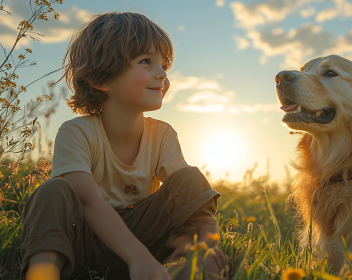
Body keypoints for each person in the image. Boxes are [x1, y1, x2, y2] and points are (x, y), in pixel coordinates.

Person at [20, 12, 228, 280]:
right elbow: (87, 201)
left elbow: (190, 196)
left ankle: (188, 262)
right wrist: (137, 258)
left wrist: (210, 245)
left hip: (145, 241)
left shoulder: (162, 134)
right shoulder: (76, 132)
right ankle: (43, 272)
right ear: (100, 79)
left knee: (189, 178)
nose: (162, 74)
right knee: (53, 190)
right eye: (146, 62)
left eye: (164, 65)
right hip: (86, 245)